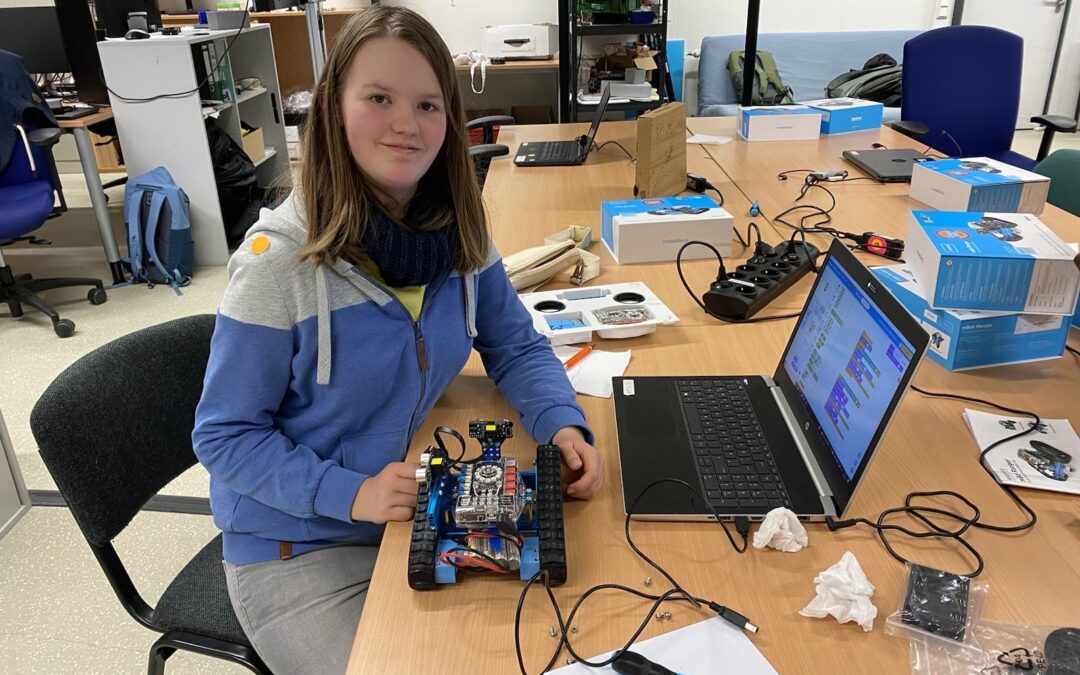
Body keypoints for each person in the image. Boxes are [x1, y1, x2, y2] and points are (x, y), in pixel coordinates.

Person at [192, 6, 604, 674]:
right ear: (331, 107)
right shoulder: (275, 266)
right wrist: (349, 493)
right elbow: (224, 437)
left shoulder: (457, 235)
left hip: (417, 512)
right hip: (300, 549)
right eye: (379, 98)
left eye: (428, 104)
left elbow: (517, 345)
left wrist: (563, 427)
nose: (407, 124)